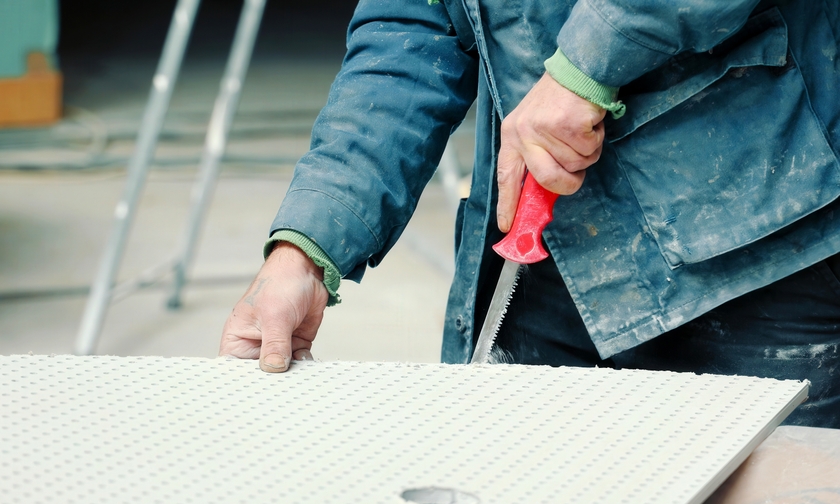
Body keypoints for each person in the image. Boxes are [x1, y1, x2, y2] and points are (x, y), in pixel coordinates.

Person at [219, 0, 840, 428]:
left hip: (759, 232)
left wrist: (588, 65)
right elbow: (411, 26)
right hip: (553, 245)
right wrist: (308, 244)